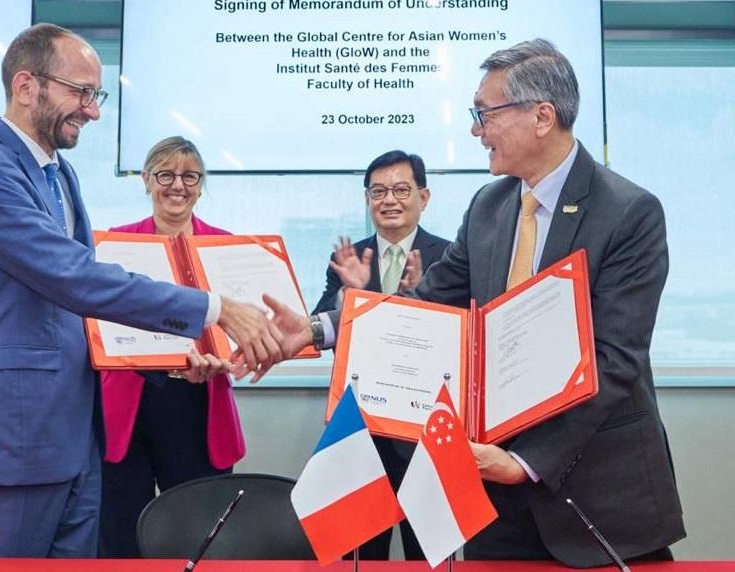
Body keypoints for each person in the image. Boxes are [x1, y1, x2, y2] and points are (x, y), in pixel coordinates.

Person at [260, 39, 685, 567]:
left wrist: (525, 462)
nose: (475, 131)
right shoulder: (489, 206)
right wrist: (315, 329)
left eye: (484, 114)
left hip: (596, 492)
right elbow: (425, 303)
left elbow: (614, 357)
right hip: (494, 493)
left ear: (542, 116)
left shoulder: (629, 212)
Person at [0, 24, 281, 559]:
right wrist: (214, 309)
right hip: (17, 438)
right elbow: (74, 277)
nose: (92, 111)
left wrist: (172, 362)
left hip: (78, 442)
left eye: (95, 95)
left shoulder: (60, 174)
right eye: (81, 92)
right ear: (27, 86)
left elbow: (87, 318)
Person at [99, 137, 246, 557]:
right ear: (146, 180)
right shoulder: (115, 245)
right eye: (166, 175)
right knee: (121, 539)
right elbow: (96, 322)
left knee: (197, 538)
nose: (177, 185)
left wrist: (227, 359)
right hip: (128, 407)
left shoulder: (225, 247)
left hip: (200, 404)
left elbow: (242, 330)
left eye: (189, 176)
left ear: (201, 185)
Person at [311, 150, 450, 560]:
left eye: (401, 190)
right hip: (361, 430)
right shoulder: (348, 259)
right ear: (367, 199)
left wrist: (422, 301)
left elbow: (459, 336)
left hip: (425, 431)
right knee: (361, 554)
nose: (389, 200)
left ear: (423, 197)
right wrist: (350, 296)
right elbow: (323, 325)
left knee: (426, 554)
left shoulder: (450, 257)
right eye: (378, 191)